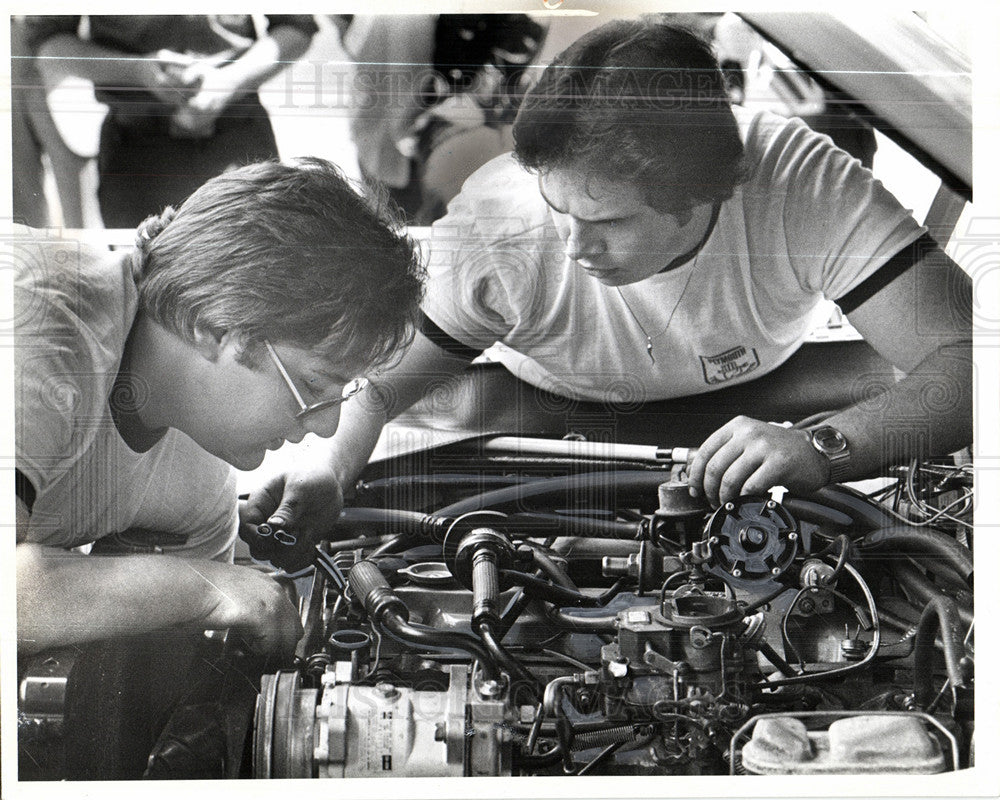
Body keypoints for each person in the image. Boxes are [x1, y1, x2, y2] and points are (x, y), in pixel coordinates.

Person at [243, 18, 971, 572]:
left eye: (607, 221)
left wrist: (826, 445)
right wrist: (328, 467)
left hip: (768, 396)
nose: (572, 246)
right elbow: (372, 391)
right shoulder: (503, 229)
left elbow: (977, 361)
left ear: (701, 195)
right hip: (535, 411)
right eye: (560, 209)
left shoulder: (799, 185)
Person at [14, 157, 425, 656]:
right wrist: (204, 587)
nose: (328, 422)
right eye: (314, 383)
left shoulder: (200, 490)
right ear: (212, 327)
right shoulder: (37, 317)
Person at [23, 15, 318, 228]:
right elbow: (48, 47)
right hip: (138, 155)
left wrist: (228, 82)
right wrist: (137, 71)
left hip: (239, 140)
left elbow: (298, 26)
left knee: (257, 287)